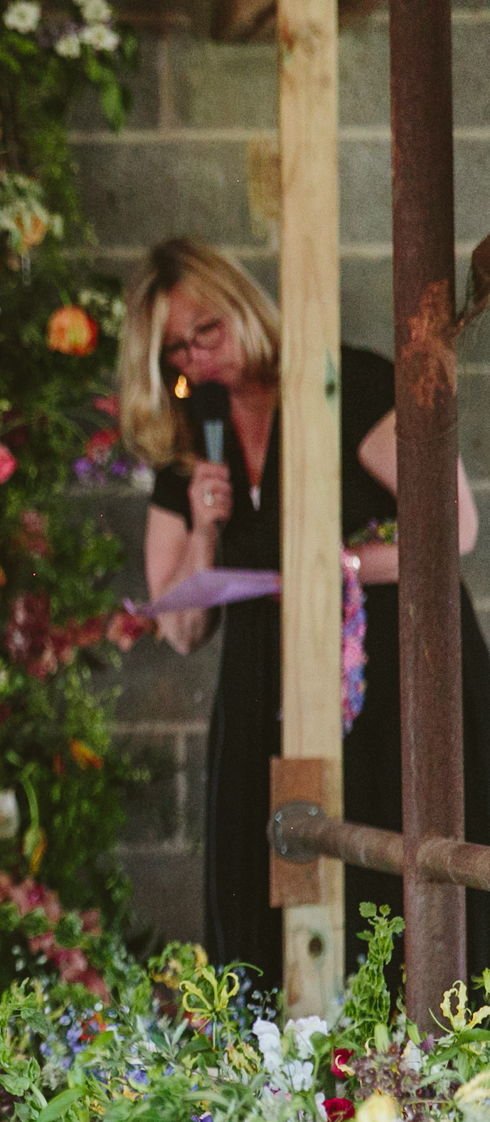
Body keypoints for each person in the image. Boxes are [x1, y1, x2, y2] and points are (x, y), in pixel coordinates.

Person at [129, 237, 490, 993]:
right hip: (270, 688)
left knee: (400, 875)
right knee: (274, 881)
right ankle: (291, 1084)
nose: (196, 359)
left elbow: (453, 529)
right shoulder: (193, 442)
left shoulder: (344, 383)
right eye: (174, 352)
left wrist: (339, 567)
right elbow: (182, 626)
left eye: (207, 332)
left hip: (390, 666)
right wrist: (203, 526)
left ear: (240, 308)